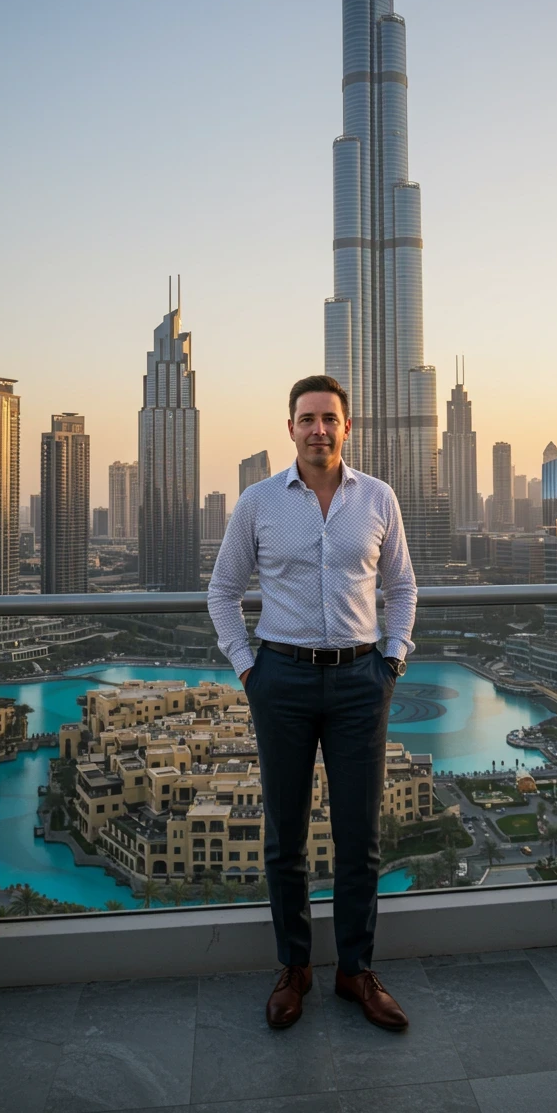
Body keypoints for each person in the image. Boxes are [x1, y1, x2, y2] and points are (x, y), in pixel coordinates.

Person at [207, 374, 417, 1031]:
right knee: (285, 837)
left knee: (360, 837)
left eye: (329, 418)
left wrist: (393, 659)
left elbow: (403, 585)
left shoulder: (377, 499)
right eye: (307, 419)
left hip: (361, 681)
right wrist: (250, 670)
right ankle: (294, 971)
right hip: (283, 682)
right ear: (290, 428)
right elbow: (222, 591)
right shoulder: (259, 502)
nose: (318, 429)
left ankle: (356, 972)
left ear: (346, 427)